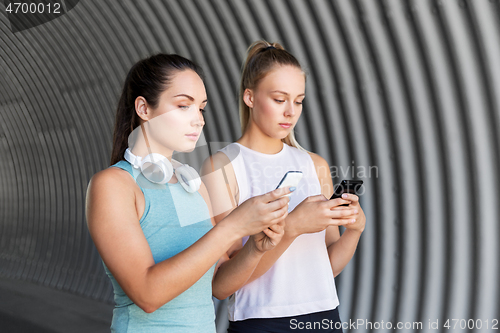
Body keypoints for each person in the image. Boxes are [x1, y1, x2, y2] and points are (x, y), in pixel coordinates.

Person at [85, 53, 293, 333]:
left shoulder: (192, 185)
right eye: (183, 106)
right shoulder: (114, 185)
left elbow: (218, 286)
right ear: (144, 109)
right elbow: (147, 295)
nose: (199, 120)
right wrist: (232, 226)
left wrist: (255, 249)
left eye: (201, 108)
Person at [201, 41, 366, 332]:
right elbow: (222, 285)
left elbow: (326, 267)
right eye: (279, 100)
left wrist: (354, 231)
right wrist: (291, 227)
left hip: (324, 316)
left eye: (299, 100)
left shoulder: (315, 165)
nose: (291, 112)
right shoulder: (222, 167)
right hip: (260, 321)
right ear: (249, 97)